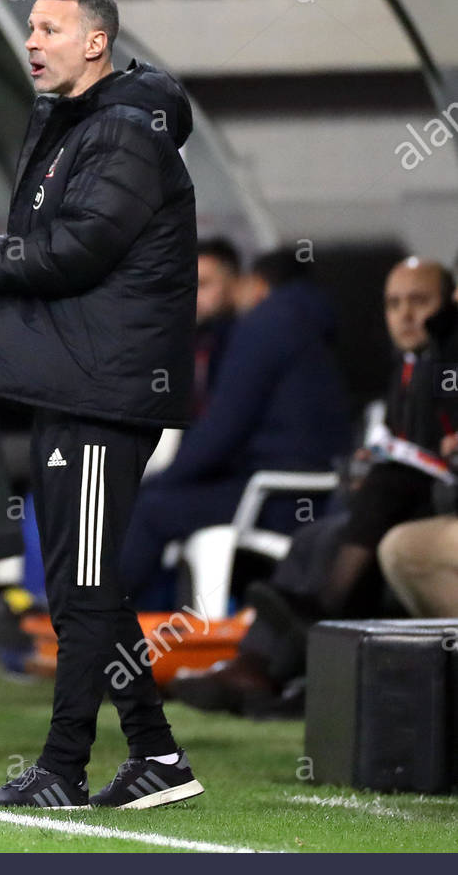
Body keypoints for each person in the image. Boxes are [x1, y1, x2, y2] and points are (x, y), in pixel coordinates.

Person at [0, 0, 203, 809]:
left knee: (84, 584)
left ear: (95, 42)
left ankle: (62, 768)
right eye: (30, 27)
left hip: (106, 391)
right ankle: (158, 756)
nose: (32, 41)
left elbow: (74, 254)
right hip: (72, 377)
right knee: (81, 582)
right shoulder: (69, 124)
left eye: (50, 28)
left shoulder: (126, 135)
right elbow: (46, 252)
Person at [171, 256, 453, 715]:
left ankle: (288, 668)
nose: (405, 315)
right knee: (310, 538)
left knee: (336, 545)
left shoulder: (445, 367)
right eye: (393, 303)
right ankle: (257, 665)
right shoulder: (407, 367)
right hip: (398, 506)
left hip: (431, 505)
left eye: (419, 301)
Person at [119, 248, 352, 603]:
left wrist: (161, 480)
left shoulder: (264, 326)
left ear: (254, 284)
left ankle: (95, 620)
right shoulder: (304, 324)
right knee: (156, 499)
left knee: (150, 508)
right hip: (309, 494)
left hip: (277, 499)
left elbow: (222, 430)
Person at [192, 237, 239, 416]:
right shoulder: (188, 340)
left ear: (231, 281)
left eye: (203, 284)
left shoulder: (245, 340)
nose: (194, 294)